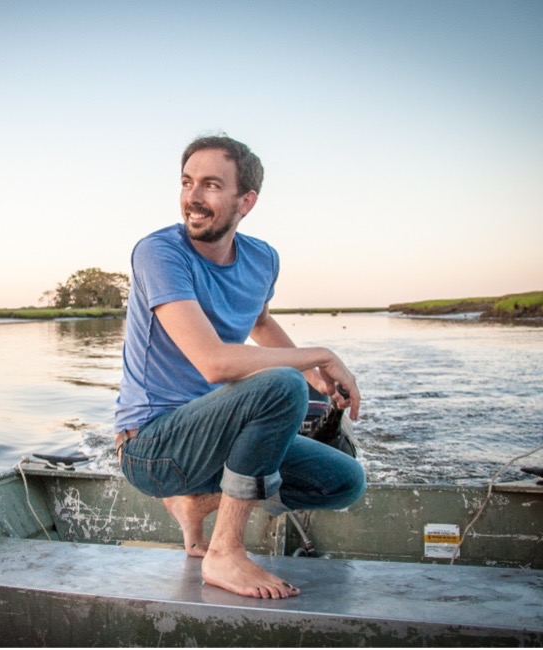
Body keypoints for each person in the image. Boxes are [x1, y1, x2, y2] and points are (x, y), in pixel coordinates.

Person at [114, 134, 366, 600]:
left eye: (211, 185)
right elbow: (215, 363)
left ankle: (196, 503)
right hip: (152, 447)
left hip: (217, 435)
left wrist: (319, 380)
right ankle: (224, 552)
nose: (193, 196)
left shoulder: (262, 258)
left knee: (345, 480)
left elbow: (260, 321)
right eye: (187, 182)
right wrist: (318, 356)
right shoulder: (159, 253)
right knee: (282, 385)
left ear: (245, 201)